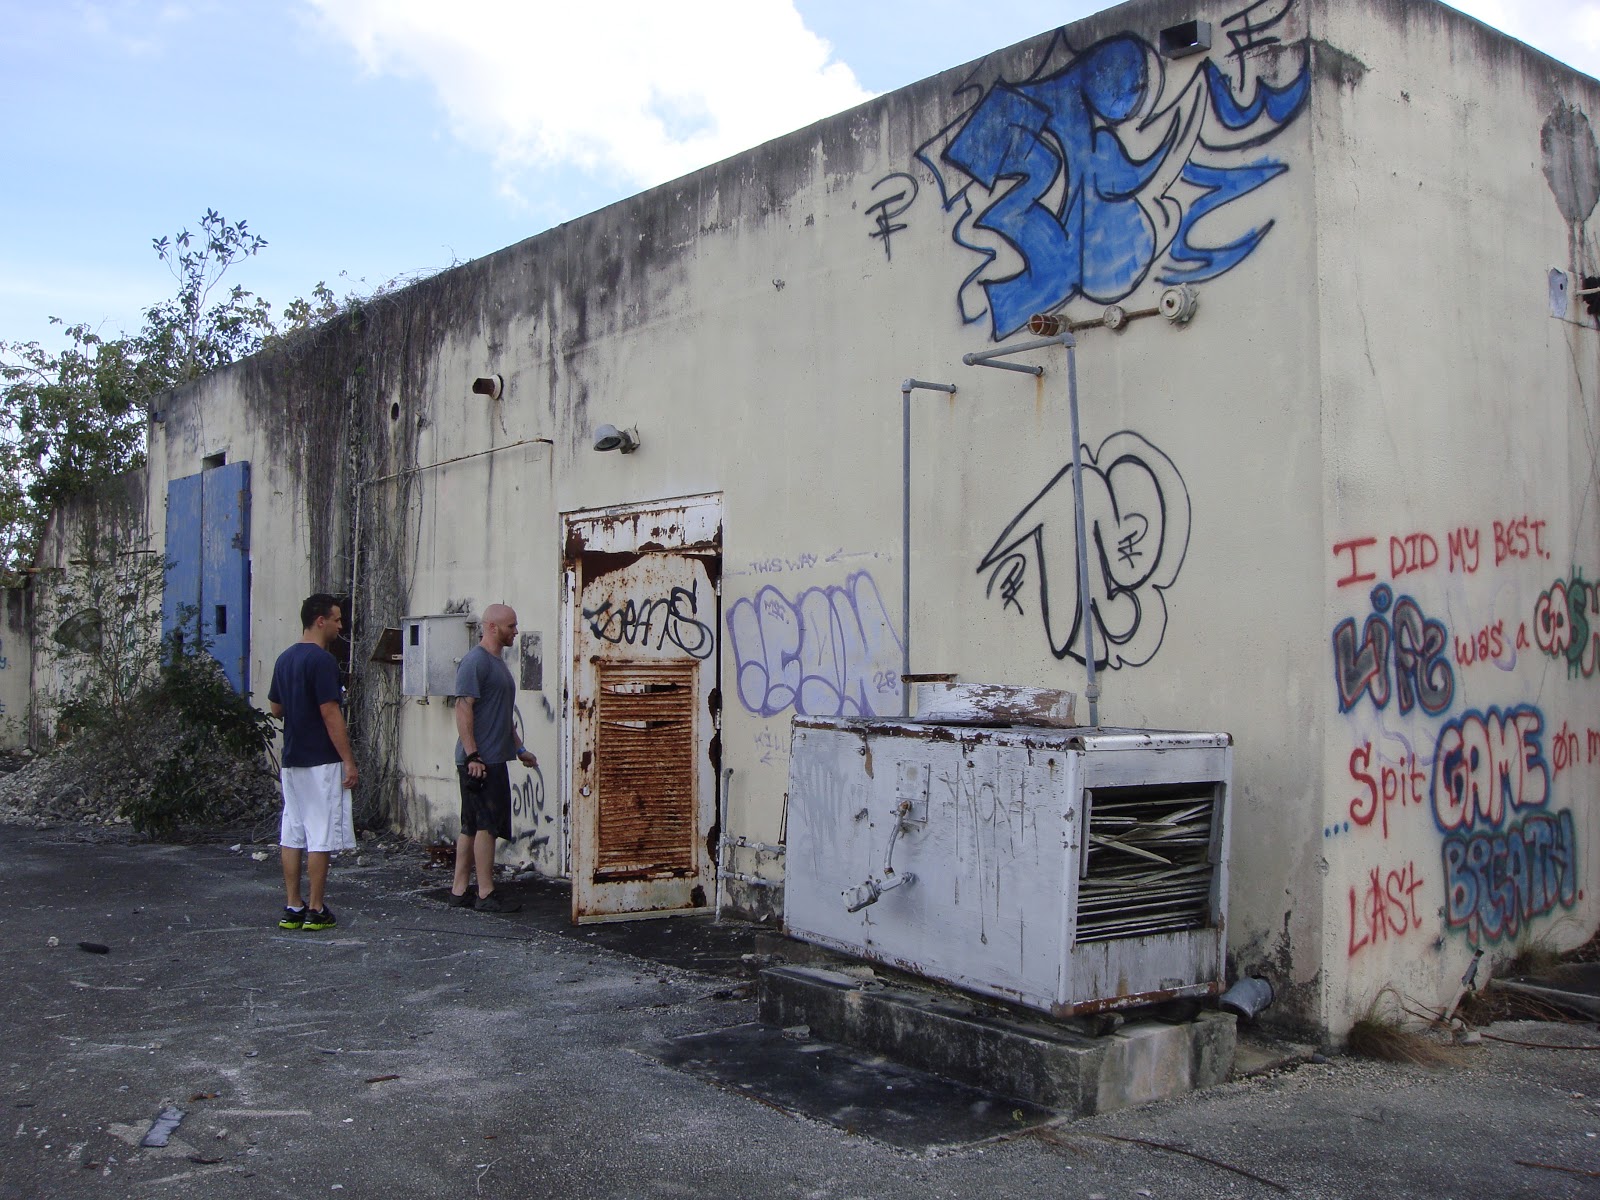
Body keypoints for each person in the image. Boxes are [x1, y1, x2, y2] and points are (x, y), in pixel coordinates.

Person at [267, 593, 358, 931]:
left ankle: (293, 905)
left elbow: (276, 708)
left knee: (292, 831)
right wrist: (348, 760)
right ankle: (316, 908)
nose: (340, 626)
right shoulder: (322, 661)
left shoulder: (285, 658)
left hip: (293, 757)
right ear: (320, 621)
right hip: (321, 758)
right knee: (321, 834)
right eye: (336, 619)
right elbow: (330, 711)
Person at [450, 602, 537, 913]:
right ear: (491, 627)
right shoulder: (476, 662)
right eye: (510, 626)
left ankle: (459, 890)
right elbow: (463, 708)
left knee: (471, 826)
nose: (516, 631)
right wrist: (473, 755)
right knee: (485, 826)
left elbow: (503, 716)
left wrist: (519, 749)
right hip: (480, 761)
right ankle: (485, 893)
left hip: (492, 757)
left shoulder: (497, 664)